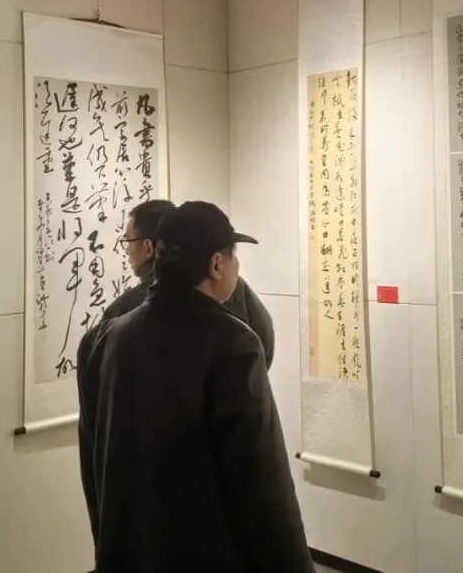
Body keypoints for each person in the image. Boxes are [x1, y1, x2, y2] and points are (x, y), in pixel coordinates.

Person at [76, 201, 314, 573]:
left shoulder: (101, 339)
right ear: (217, 263)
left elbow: (93, 469)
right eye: (234, 257)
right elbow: (264, 488)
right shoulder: (234, 345)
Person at [104, 198, 276, 368]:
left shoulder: (117, 315)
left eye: (128, 241)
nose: (126, 250)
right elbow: (265, 344)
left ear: (150, 247)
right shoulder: (242, 334)